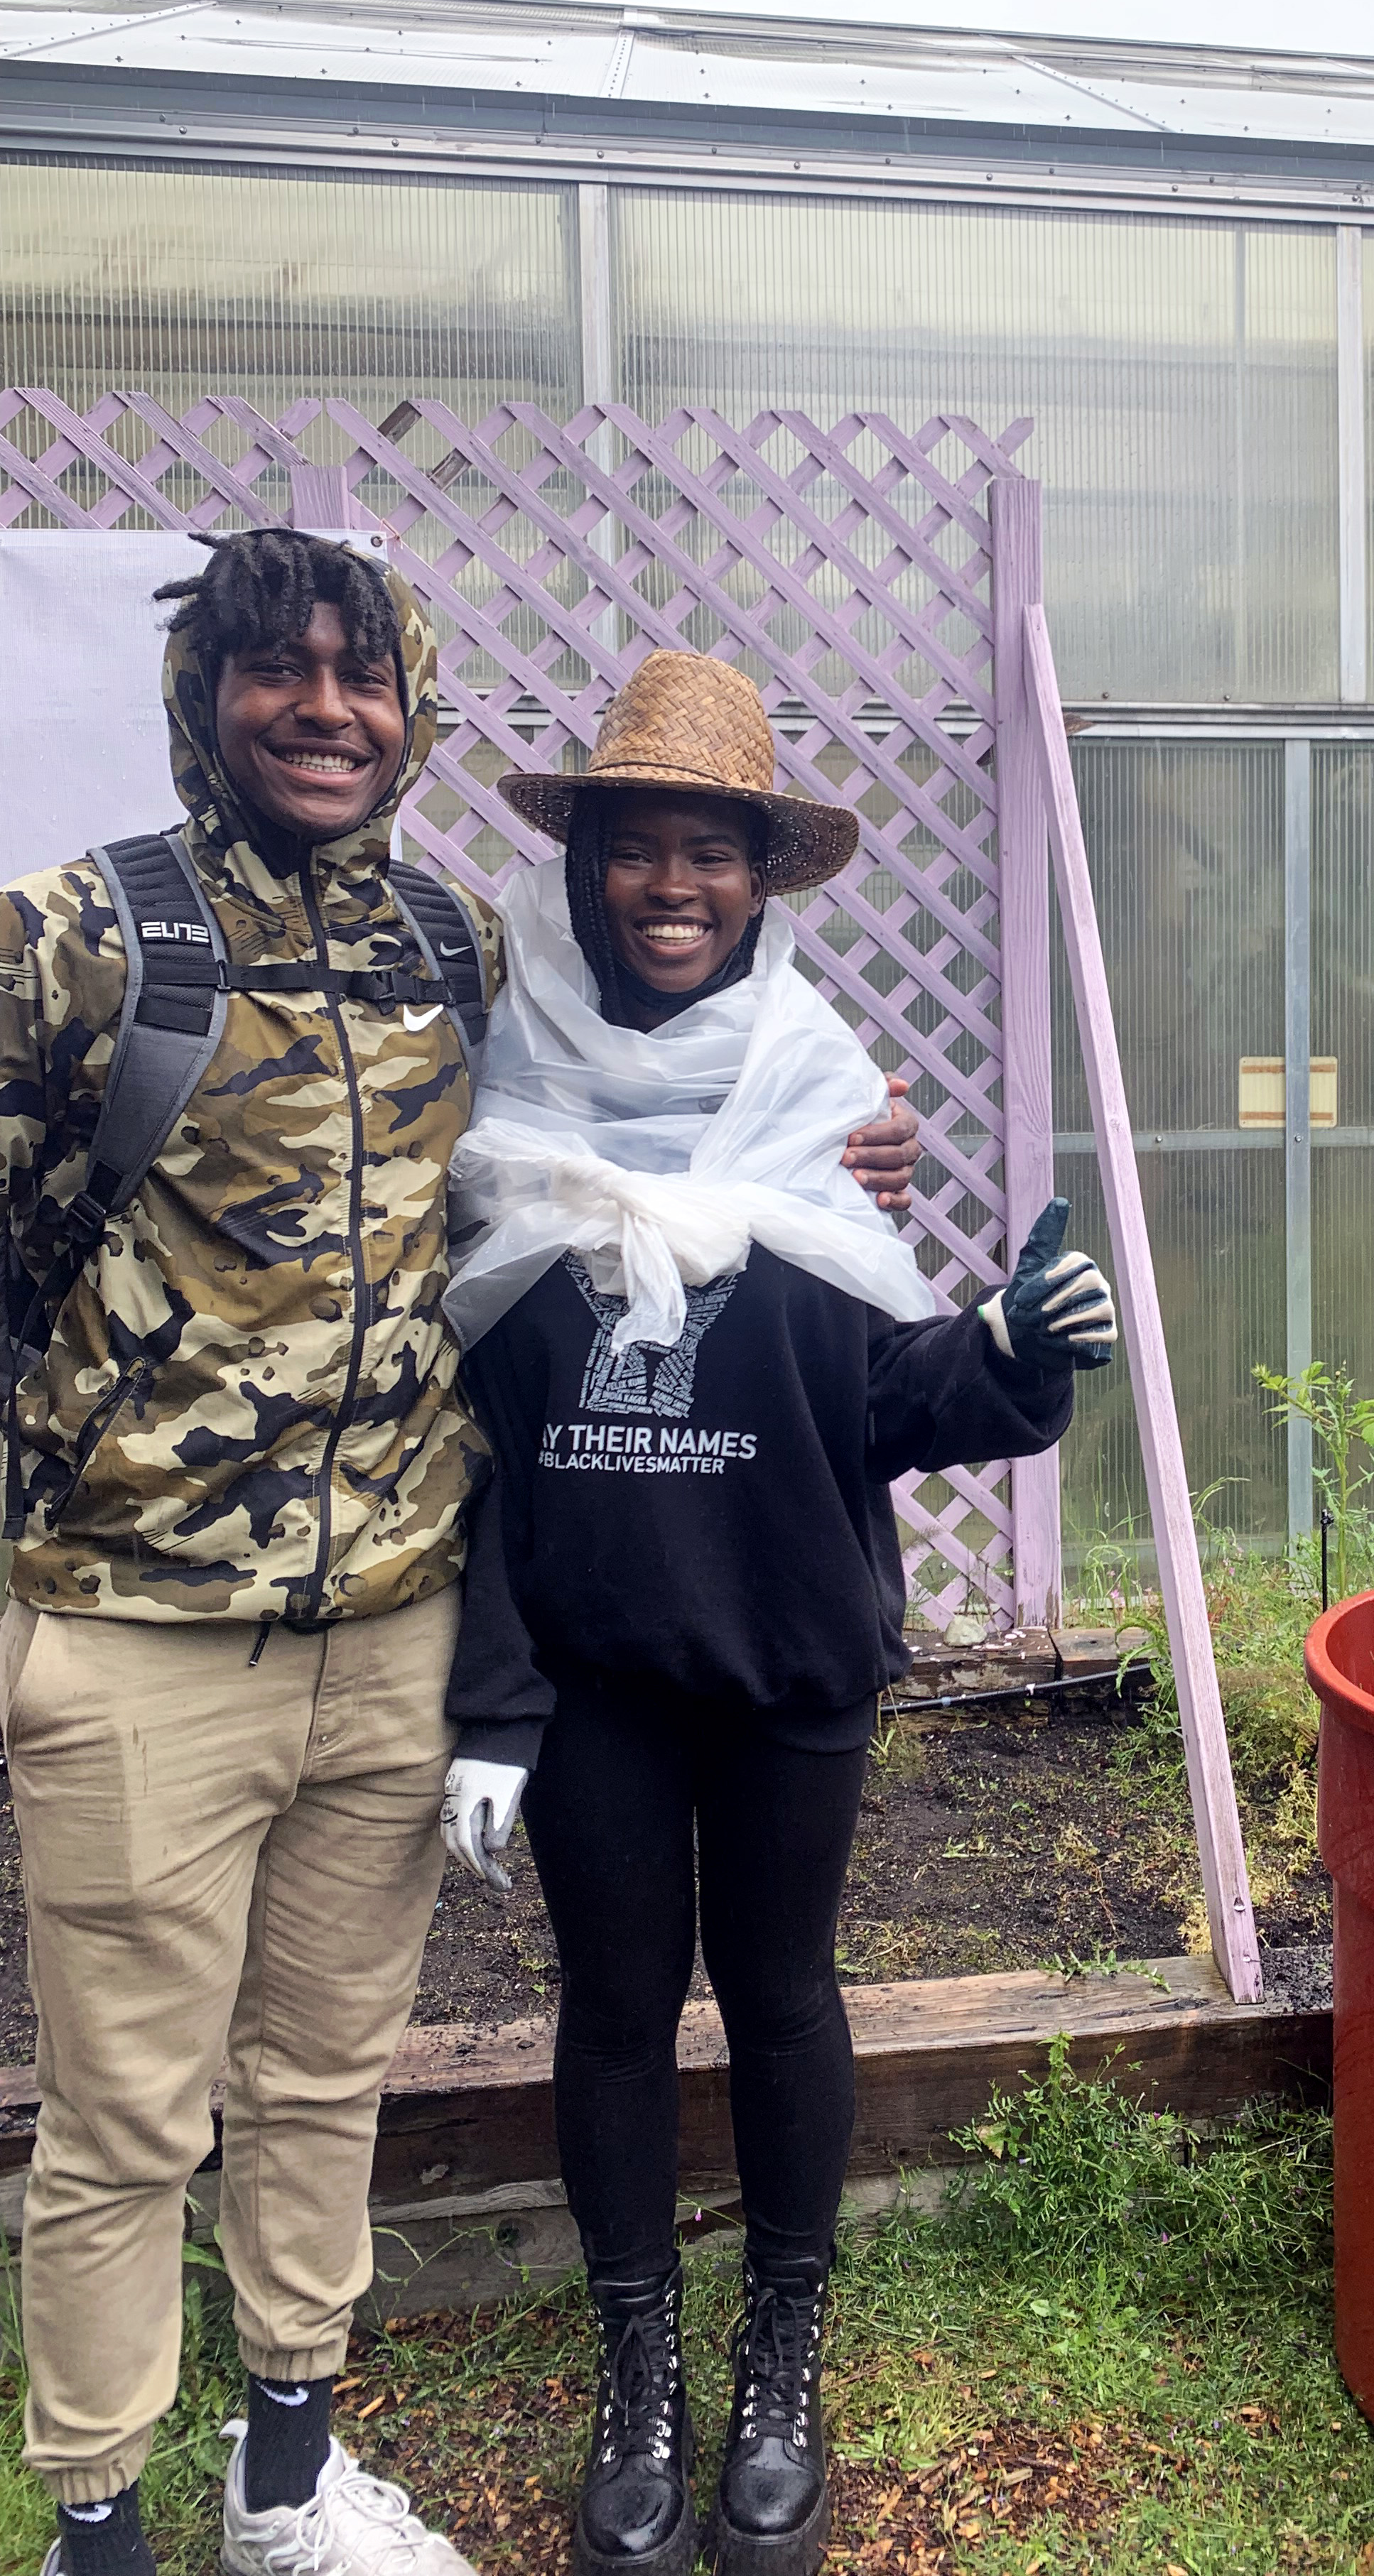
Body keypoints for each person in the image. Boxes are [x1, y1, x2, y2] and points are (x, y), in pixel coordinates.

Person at [0, 541, 920, 2576]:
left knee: (324, 2070)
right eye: (278, 674)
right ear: (202, 700)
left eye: (365, 677)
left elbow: (653, 1087)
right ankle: (92, 2524)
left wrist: (835, 1152)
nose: (325, 709)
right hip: (141, 1618)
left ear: (412, 714)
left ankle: (285, 2479)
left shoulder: (455, 955)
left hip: (401, 1614)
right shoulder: (76, 937)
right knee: (128, 2115)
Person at [436, 648, 1114, 2576]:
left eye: (711, 856)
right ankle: (639, 2359)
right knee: (618, 2013)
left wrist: (1013, 1356)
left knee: (792, 1993)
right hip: (590, 1687)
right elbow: (465, 1454)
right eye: (638, 850)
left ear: (759, 884)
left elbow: (889, 1405)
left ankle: (783, 2349)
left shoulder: (819, 1107)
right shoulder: (499, 1117)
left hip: (791, 1658)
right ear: (582, 879)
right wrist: (487, 1705)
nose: (673, 884)